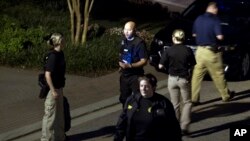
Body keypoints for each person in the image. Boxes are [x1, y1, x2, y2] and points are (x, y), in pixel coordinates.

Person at [114, 73, 182, 141]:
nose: (143, 89)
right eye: (141, 86)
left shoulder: (163, 103)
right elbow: (122, 122)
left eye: (147, 86)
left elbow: (173, 126)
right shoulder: (132, 100)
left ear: (154, 87)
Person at [191, 2, 234, 105]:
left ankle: (194, 99)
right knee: (218, 75)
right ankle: (226, 96)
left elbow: (194, 34)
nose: (217, 11)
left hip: (199, 51)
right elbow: (220, 37)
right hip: (211, 52)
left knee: (197, 76)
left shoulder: (198, 18)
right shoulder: (215, 20)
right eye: (216, 9)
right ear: (213, 9)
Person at [158, 29, 196, 135]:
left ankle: (175, 126)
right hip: (184, 79)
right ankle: (184, 126)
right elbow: (193, 65)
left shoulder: (169, 50)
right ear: (183, 39)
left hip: (172, 79)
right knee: (187, 102)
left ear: (173, 38)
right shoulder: (188, 50)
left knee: (175, 104)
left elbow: (160, 66)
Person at [41, 32, 66, 141]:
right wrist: (53, 90)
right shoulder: (52, 56)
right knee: (50, 117)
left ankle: (60, 137)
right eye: (63, 40)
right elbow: (47, 75)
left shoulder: (61, 54)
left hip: (59, 88)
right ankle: (47, 139)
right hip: (53, 90)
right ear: (59, 41)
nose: (65, 41)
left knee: (60, 116)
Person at [118, 21, 148, 107]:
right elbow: (120, 54)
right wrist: (120, 64)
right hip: (124, 75)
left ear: (134, 30)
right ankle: (126, 114)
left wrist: (130, 65)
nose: (126, 32)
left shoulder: (139, 43)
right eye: (125, 29)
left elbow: (144, 61)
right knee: (124, 98)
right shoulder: (123, 41)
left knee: (138, 98)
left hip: (135, 76)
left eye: (129, 30)